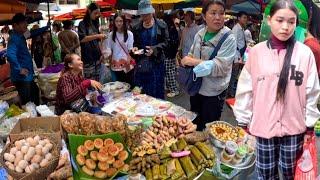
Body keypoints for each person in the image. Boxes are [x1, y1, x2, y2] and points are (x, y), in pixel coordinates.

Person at [233, 0, 320, 179]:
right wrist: (243, 121)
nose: (285, 27)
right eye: (280, 20)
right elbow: (245, 89)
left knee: (290, 174)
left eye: (291, 21)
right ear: (269, 20)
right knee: (265, 174)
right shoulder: (256, 53)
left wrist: (310, 126)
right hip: (262, 129)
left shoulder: (305, 54)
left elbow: (311, 92)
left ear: (297, 24)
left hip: (294, 129)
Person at [181, 0, 236, 130]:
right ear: (204, 16)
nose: (218, 17)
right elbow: (191, 53)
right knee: (193, 123)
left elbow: (221, 67)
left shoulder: (229, 38)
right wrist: (186, 59)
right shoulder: (200, 34)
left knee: (208, 128)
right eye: (213, 13)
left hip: (214, 92)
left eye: (221, 13)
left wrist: (192, 61)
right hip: (196, 87)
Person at [7, 13, 49, 105]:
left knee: (35, 95)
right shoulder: (14, 38)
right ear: (15, 25)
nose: (26, 24)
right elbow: (10, 55)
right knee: (27, 103)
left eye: (26, 22)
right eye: (23, 22)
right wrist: (19, 69)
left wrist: (46, 27)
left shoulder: (21, 35)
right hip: (22, 78)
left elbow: (33, 33)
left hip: (27, 76)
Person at [131, 0, 169, 99]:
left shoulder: (161, 25)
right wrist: (135, 48)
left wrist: (155, 49)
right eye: (142, 15)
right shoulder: (136, 28)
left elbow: (166, 43)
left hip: (157, 65)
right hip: (142, 65)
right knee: (143, 93)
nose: (145, 17)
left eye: (147, 14)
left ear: (152, 12)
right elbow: (136, 44)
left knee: (157, 93)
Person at [78, 3, 107, 81]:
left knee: (98, 81)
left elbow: (98, 41)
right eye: (95, 13)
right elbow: (82, 39)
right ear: (89, 11)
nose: (97, 15)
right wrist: (98, 35)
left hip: (97, 57)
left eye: (98, 13)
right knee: (90, 82)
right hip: (88, 58)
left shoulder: (96, 23)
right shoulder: (82, 24)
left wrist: (101, 54)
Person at [104, 13, 134, 86]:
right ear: (114, 22)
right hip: (114, 65)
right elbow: (109, 49)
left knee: (128, 86)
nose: (119, 23)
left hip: (126, 65)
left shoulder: (129, 34)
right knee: (118, 87)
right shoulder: (111, 35)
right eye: (117, 21)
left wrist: (128, 59)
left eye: (121, 21)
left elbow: (130, 50)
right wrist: (107, 57)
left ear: (124, 22)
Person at [228, 11, 248, 98]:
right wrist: (236, 58)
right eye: (244, 17)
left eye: (246, 18)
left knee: (236, 74)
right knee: (233, 75)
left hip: (240, 55)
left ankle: (231, 91)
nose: (245, 19)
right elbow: (233, 44)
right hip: (236, 56)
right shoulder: (236, 29)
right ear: (239, 18)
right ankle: (230, 93)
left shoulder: (241, 28)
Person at [163, 14, 180, 98]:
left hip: (168, 54)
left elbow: (169, 43)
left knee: (169, 72)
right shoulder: (172, 28)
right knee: (170, 71)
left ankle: (174, 89)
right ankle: (171, 87)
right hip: (171, 54)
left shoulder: (169, 29)